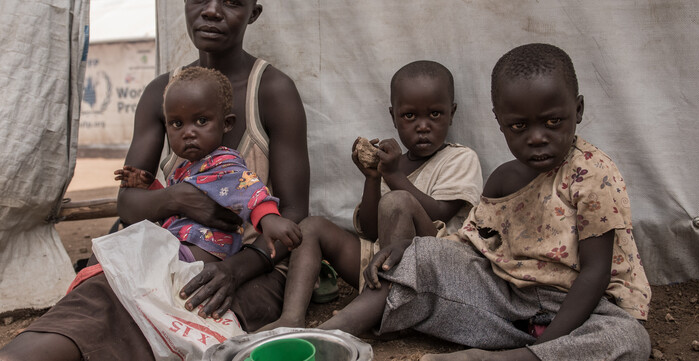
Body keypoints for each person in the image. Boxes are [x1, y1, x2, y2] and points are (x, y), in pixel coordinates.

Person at [0, 0, 309, 360]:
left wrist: (235, 270)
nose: (211, 11)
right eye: (199, 0)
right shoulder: (161, 94)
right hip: (166, 254)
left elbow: (295, 214)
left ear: (252, 14)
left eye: (230, 2)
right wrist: (180, 199)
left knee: (183, 323)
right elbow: (128, 205)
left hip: (254, 267)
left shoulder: (272, 90)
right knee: (93, 304)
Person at [319, 43, 652, 361]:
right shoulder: (504, 179)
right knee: (423, 255)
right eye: (519, 126)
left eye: (553, 122)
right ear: (499, 122)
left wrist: (551, 346)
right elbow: (471, 244)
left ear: (577, 110)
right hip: (507, 301)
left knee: (628, 339)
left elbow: (595, 273)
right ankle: (327, 335)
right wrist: (408, 250)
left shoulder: (593, 176)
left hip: (578, 308)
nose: (537, 137)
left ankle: (512, 357)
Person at [259, 60, 483, 331]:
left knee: (397, 201)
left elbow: (439, 213)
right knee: (312, 226)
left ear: (452, 113)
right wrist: (373, 179)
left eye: (435, 114)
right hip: (378, 269)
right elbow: (369, 230)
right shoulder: (392, 164)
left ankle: (380, 311)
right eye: (410, 116)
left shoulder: (460, 158)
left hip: (430, 271)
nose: (423, 126)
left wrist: (394, 177)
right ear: (393, 116)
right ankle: (291, 318)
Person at [115, 66, 301, 261]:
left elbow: (249, 190)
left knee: (124, 257)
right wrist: (149, 186)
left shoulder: (224, 163)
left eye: (201, 121)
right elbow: (171, 212)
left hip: (203, 249)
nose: (188, 133)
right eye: (177, 124)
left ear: (227, 123)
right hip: (181, 246)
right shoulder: (183, 169)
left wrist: (269, 219)